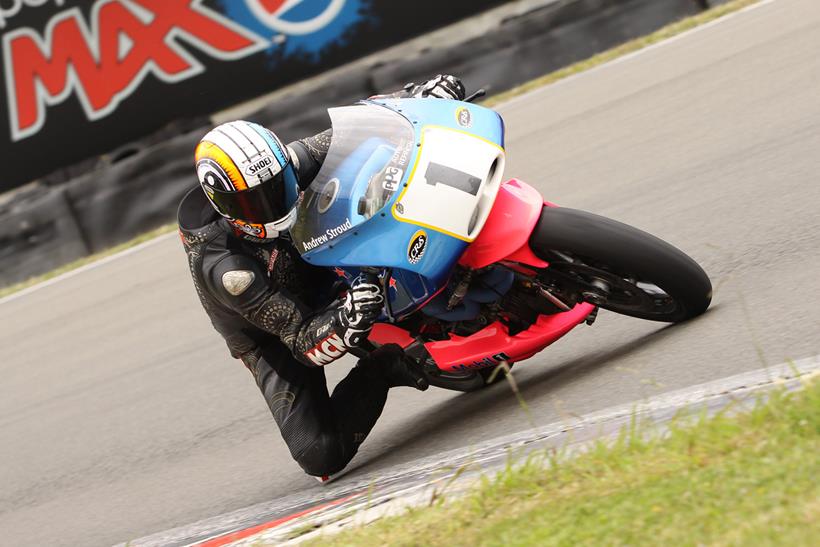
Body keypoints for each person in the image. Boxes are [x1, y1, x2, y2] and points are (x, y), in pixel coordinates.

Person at [177, 75, 466, 481]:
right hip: (274, 332)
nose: (274, 201)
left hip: (320, 255)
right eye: (254, 200)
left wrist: (418, 97)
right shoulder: (226, 269)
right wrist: (344, 319)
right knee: (320, 455)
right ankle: (386, 366)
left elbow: (365, 127)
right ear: (224, 204)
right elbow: (298, 339)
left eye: (278, 184)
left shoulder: (289, 164)